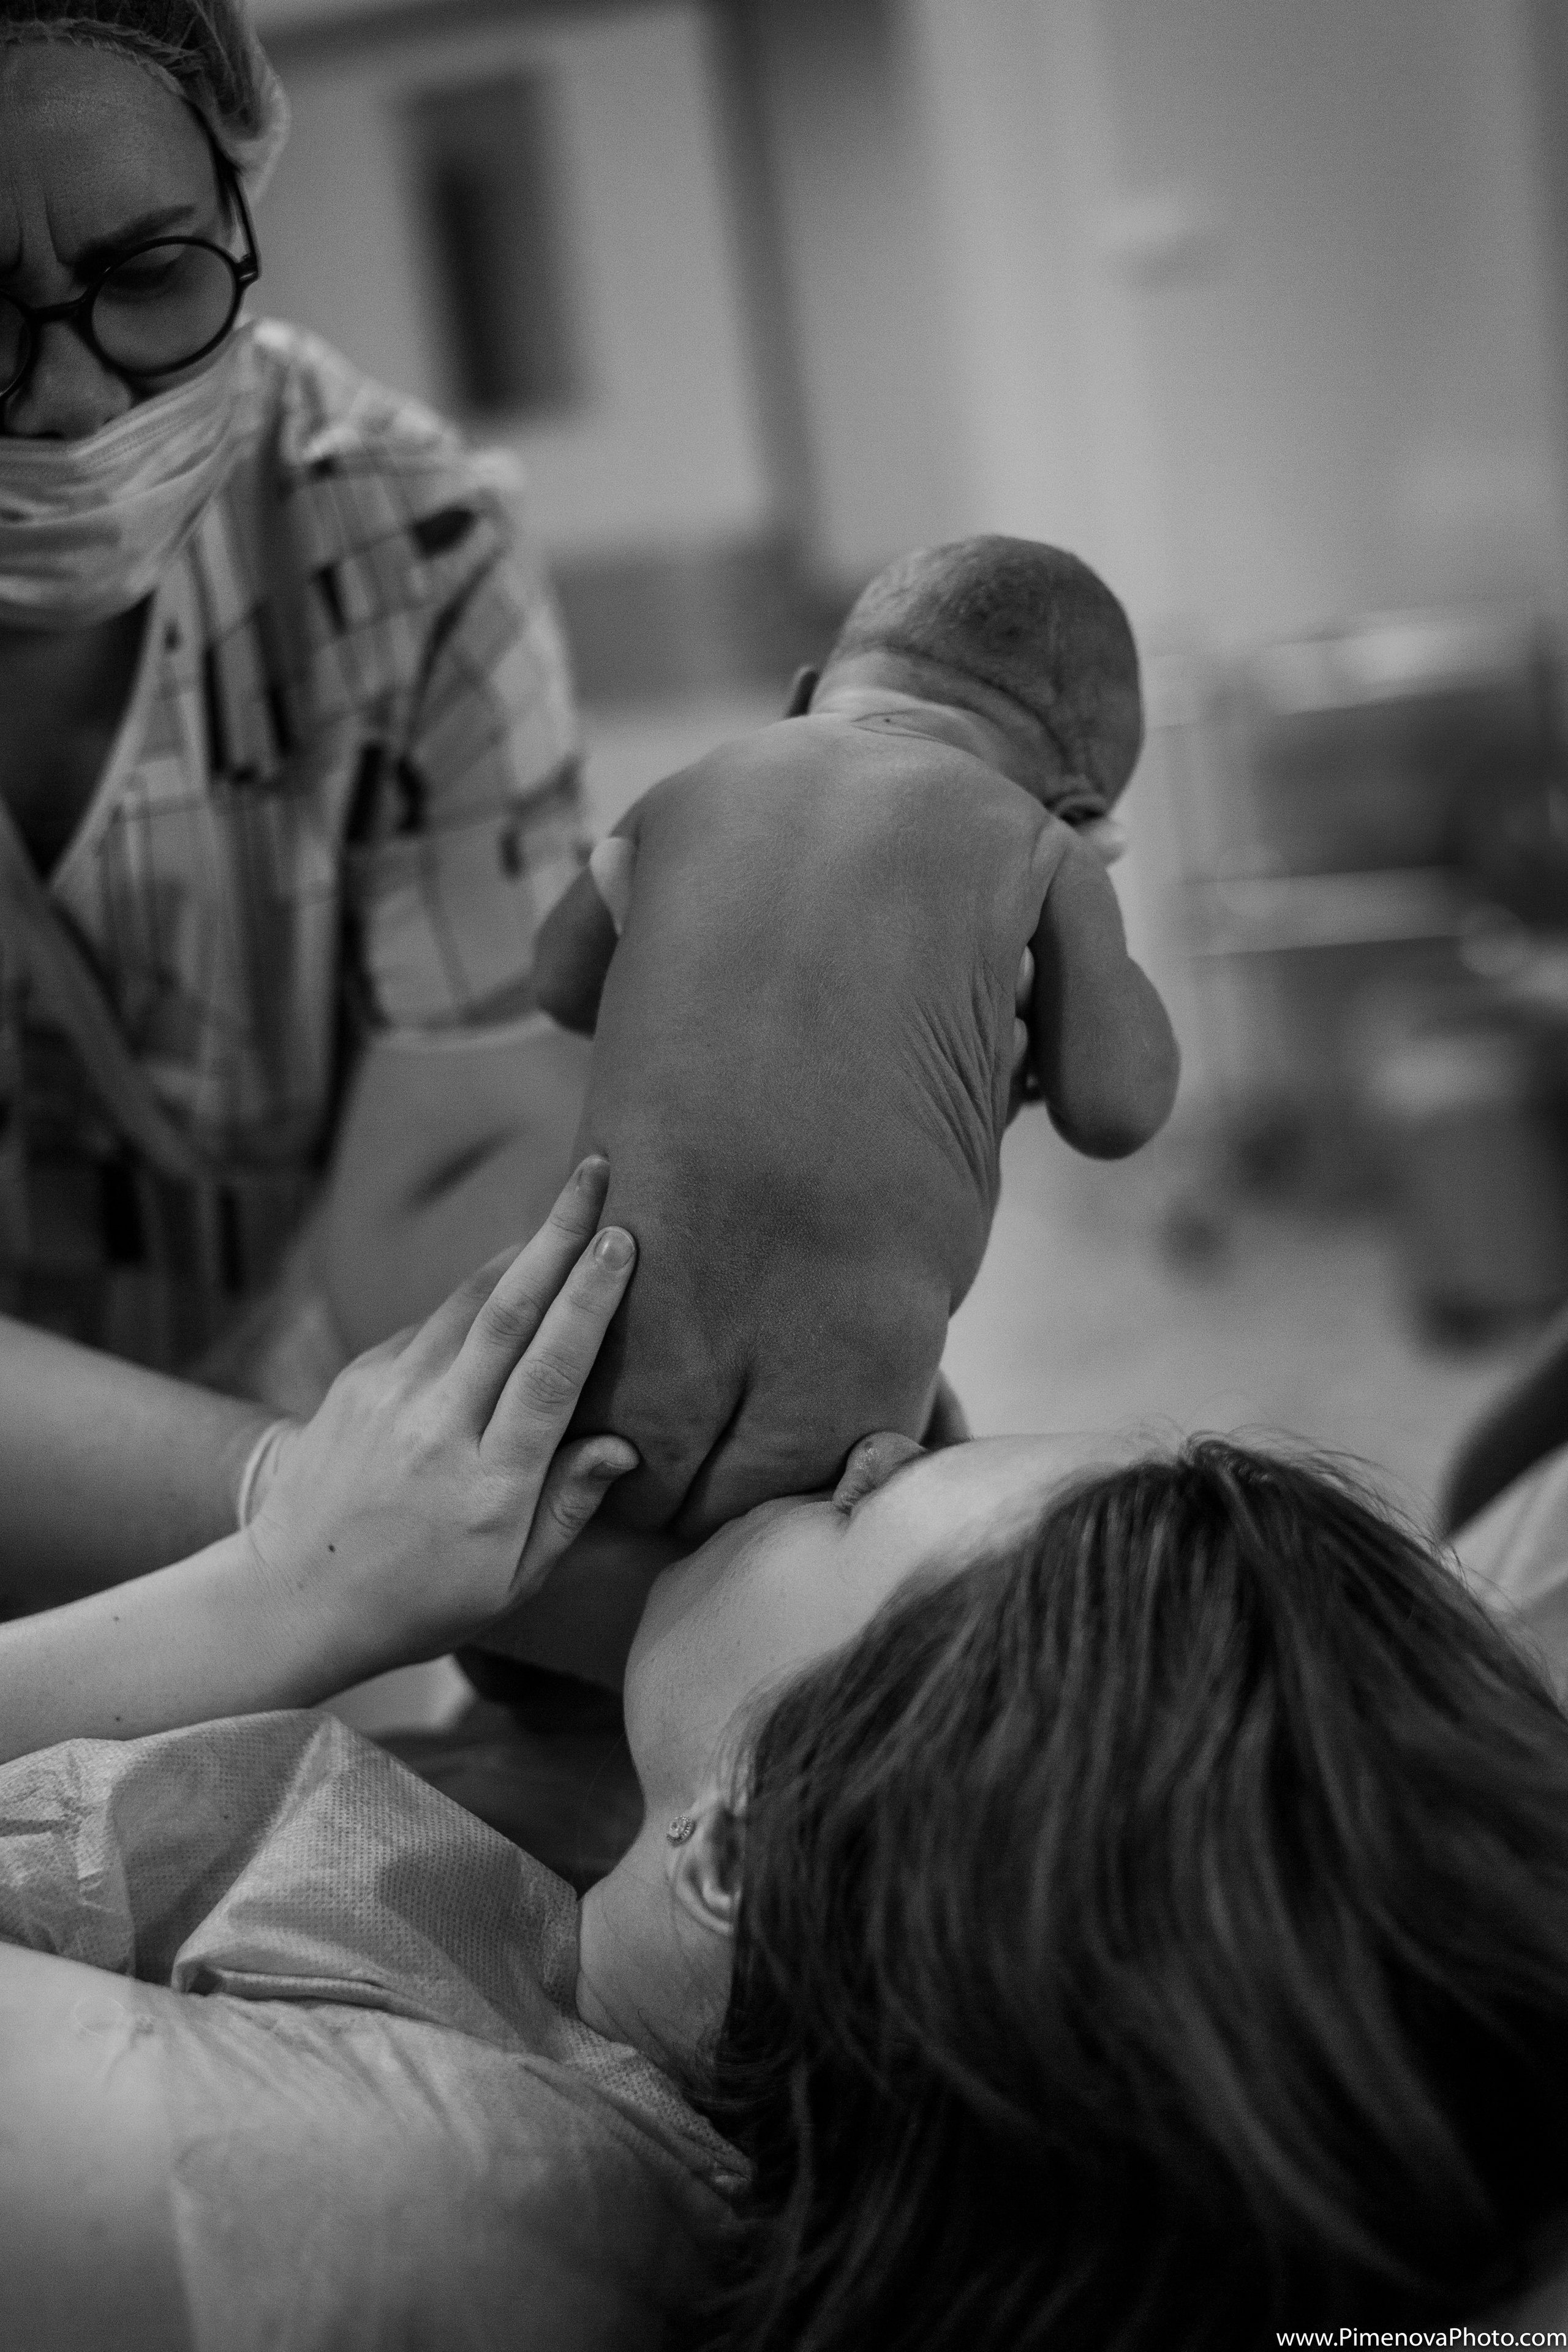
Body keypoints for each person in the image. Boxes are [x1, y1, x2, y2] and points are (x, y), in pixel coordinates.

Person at [3, 1267, 1568, 2343]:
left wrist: (284, 1589)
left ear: (741, 1849)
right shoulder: (692, 2019)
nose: (879, 1441)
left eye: (858, 1507)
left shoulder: (378, 2197)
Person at [0, 0, 592, 1404]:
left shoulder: (403, 541)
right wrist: (283, 1522)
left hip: (297, 1402)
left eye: (148, 271)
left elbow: (465, 1156)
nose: (73, 401)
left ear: (237, 200)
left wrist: (327, 1488)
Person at [531, 537, 1180, 1534]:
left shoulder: (690, 784)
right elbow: (1118, 1111)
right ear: (1085, 807)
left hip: (597, 1335)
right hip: (843, 1396)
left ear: (801, 696)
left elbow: (561, 985)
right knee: (842, 1549)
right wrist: (1080, 954)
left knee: (582, 1542)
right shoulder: (1044, 844)